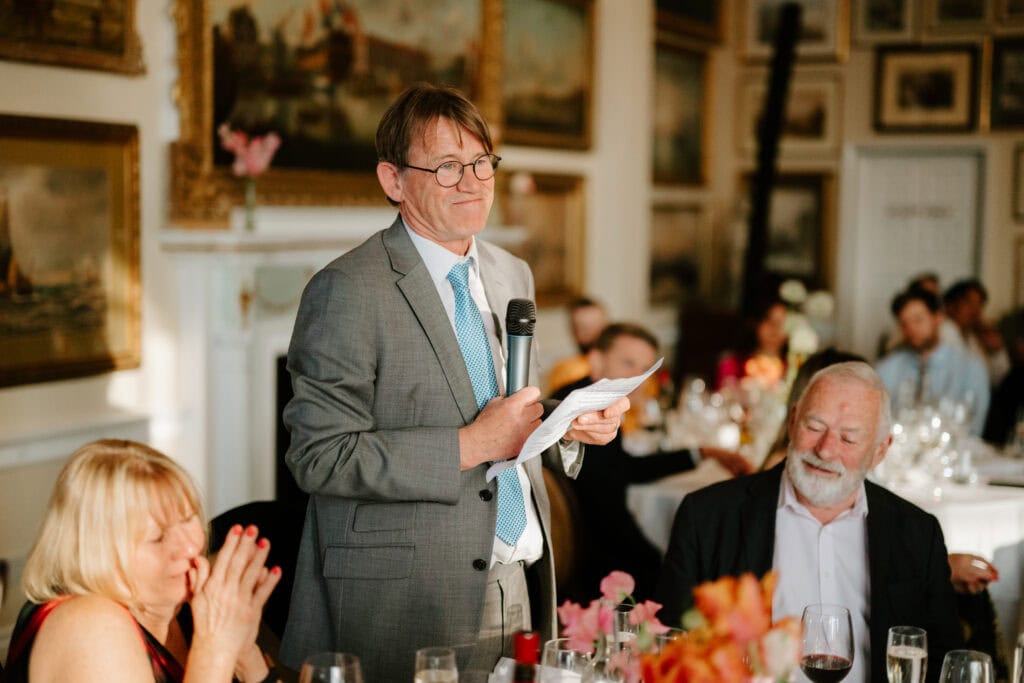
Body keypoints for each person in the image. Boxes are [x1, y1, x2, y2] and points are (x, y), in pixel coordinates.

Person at [278, 84, 628, 683]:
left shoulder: (510, 270)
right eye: (446, 166)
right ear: (393, 180)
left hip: (519, 583)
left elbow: (515, 410)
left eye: (481, 162)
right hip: (406, 604)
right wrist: (474, 444)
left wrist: (570, 427)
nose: (472, 181)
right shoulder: (347, 290)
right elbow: (318, 457)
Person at [655, 362, 962, 683]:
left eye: (849, 438)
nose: (826, 450)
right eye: (814, 427)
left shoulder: (916, 532)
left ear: (880, 450)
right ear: (792, 422)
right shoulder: (708, 515)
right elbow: (671, 647)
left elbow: (943, 659)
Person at [2, 439, 280, 683]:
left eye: (188, 519)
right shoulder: (88, 624)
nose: (190, 546)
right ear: (101, 553)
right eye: (157, 537)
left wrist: (245, 656)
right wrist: (215, 649)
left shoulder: (186, 610)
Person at [550, 323, 752, 602]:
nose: (638, 378)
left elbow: (620, 468)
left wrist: (703, 453)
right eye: (628, 363)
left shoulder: (588, 396)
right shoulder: (587, 410)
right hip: (590, 563)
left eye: (645, 369)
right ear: (596, 360)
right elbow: (608, 503)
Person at [876, 287, 990, 436]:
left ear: (937, 318)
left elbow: (973, 428)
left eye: (918, 320)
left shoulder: (971, 367)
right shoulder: (886, 369)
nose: (911, 329)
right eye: (904, 323)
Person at [943, 279, 1010, 386]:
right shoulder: (942, 332)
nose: (975, 311)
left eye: (979, 305)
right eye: (969, 303)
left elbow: (998, 381)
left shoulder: (973, 338)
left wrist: (997, 351)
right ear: (950, 306)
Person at [715, 296, 788, 389]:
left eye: (781, 323)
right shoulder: (733, 364)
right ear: (756, 324)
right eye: (768, 320)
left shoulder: (793, 370)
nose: (774, 329)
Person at [546, 296, 608, 393]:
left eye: (596, 325)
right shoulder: (565, 369)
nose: (592, 332)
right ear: (573, 331)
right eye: (583, 327)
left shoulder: (620, 361)